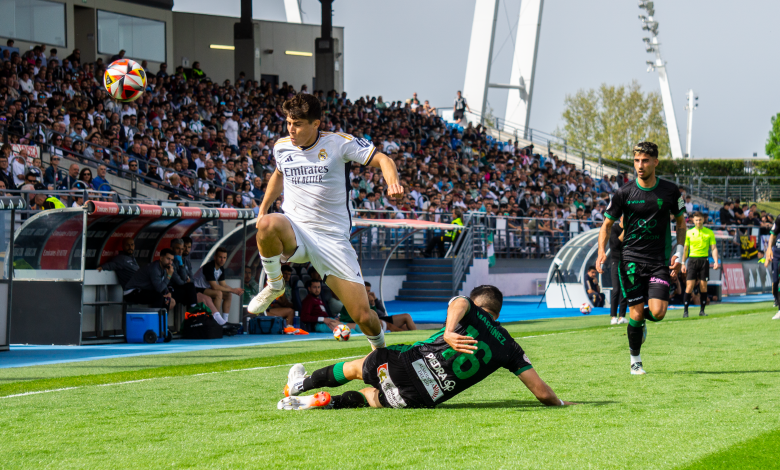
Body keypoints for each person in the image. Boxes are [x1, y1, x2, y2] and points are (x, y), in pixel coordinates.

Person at [248, 93, 403, 351]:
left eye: (297, 124)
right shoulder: (282, 147)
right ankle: (275, 285)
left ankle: (380, 351)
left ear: (316, 124)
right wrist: (263, 209)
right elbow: (278, 175)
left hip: (331, 239)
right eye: (288, 123)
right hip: (295, 229)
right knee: (267, 225)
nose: (291, 129)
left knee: (363, 317)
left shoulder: (338, 143)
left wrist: (392, 182)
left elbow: (383, 160)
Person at [278, 285, 574, 410]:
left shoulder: (469, 308)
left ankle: (300, 386)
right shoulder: (509, 346)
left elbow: (458, 302)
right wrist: (563, 404)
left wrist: (448, 331)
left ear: (479, 305)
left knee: (358, 367)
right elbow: (541, 392)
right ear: (498, 313)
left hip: (405, 364)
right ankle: (321, 403)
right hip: (425, 397)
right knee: (373, 397)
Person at [596, 141, 687, 375]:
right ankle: (635, 360)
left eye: (645, 160)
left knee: (658, 312)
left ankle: (640, 325)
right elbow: (606, 225)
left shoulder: (670, 191)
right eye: (636, 161)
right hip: (631, 260)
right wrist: (600, 253)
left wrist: (678, 253)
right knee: (634, 312)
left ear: (655, 162)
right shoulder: (624, 192)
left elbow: (680, 223)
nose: (640, 165)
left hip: (659, 261)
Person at [681, 212, 720, 318]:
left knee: (703, 286)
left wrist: (716, 261)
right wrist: (683, 263)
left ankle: (702, 311)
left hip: (704, 261)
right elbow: (685, 249)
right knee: (689, 286)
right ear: (693, 220)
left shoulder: (709, 232)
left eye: (700, 220)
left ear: (703, 220)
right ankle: (685, 311)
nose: (698, 222)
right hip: (692, 260)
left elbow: (714, 248)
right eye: (696, 220)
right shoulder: (689, 233)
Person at [193, 246, 243, 325]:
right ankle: (216, 321)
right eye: (220, 257)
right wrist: (232, 290)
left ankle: (225, 321)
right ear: (215, 257)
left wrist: (234, 290)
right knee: (218, 293)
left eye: (224, 257)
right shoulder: (209, 267)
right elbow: (214, 287)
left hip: (206, 289)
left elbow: (223, 285)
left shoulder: (221, 268)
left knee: (228, 295)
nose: (222, 259)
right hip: (196, 289)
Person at [339, 282, 417, 332]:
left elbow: (381, 311)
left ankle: (415, 337)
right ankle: (415, 336)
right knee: (403, 320)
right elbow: (368, 315)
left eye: (369, 291)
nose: (367, 293)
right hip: (375, 320)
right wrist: (372, 304)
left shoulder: (369, 299)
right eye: (366, 291)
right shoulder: (354, 301)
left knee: (405, 324)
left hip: (380, 317)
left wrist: (374, 301)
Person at [124, 248, 177, 312]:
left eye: (172, 260)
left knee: (169, 300)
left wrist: (168, 293)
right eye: (168, 259)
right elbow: (159, 289)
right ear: (161, 258)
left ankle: (161, 321)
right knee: (159, 297)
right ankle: (155, 320)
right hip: (132, 292)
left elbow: (162, 284)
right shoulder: (154, 268)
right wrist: (169, 276)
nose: (170, 262)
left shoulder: (164, 268)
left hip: (143, 290)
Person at [608, 216, 628, 324]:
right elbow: (616, 244)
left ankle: (622, 316)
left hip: (627, 262)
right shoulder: (614, 229)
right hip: (616, 261)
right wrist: (625, 230)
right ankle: (613, 316)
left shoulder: (631, 230)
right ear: (621, 218)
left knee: (625, 289)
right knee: (616, 289)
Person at [169, 238, 198, 309]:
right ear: (172, 248)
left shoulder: (185, 261)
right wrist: (186, 279)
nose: (180, 251)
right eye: (178, 248)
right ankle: (193, 314)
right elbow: (178, 281)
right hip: (171, 289)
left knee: (191, 290)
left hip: (182, 288)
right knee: (190, 290)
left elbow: (192, 279)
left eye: (182, 249)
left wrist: (181, 264)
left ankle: (193, 316)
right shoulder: (170, 261)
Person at [762, 213, 780, 320]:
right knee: (775, 282)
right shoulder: (779, 218)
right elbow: (773, 235)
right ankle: (776, 300)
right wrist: (768, 250)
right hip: (777, 255)